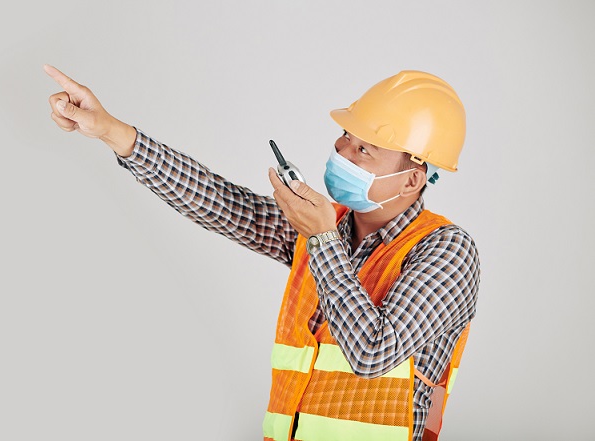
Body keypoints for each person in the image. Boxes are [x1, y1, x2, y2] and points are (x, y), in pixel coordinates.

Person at [44, 64, 480, 441]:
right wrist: (114, 133)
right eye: (346, 136)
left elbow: (372, 352)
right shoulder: (326, 226)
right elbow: (222, 204)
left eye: (365, 149)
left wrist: (322, 239)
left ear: (411, 181)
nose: (344, 152)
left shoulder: (446, 250)